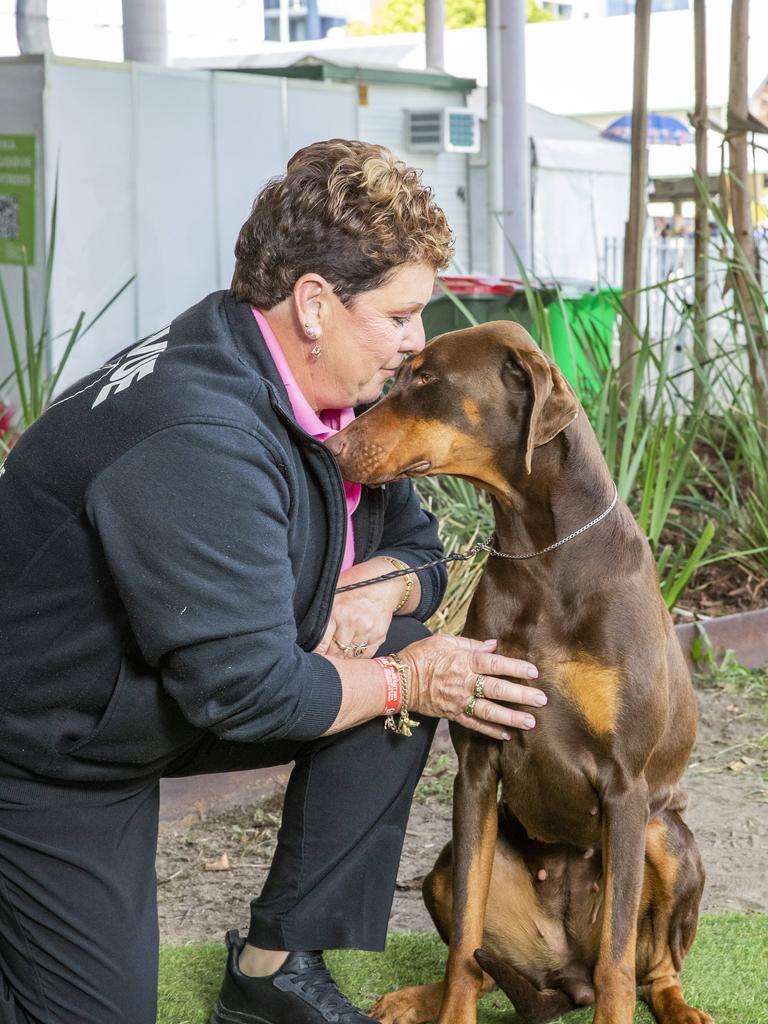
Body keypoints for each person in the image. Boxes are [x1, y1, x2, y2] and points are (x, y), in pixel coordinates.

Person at [0, 139, 547, 1024]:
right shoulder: (199, 434)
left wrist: (380, 593)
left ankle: (270, 970)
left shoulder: (316, 383)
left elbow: (416, 541)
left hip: (152, 700)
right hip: (43, 752)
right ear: (316, 302)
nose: (417, 342)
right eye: (403, 316)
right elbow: (251, 697)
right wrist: (412, 678)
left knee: (404, 655)